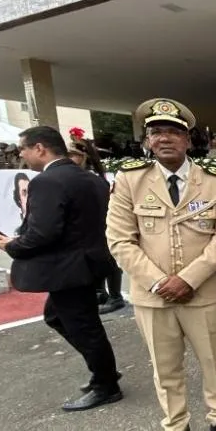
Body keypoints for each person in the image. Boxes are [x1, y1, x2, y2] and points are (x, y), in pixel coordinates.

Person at [106, 98, 216, 431]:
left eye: (173, 131)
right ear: (147, 140)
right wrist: (161, 281)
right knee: (164, 368)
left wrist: (189, 279)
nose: (165, 138)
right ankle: (175, 429)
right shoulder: (129, 180)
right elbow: (119, 240)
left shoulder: (215, 181)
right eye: (156, 132)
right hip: (153, 296)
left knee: (215, 362)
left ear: (187, 139)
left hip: (204, 293)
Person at [0, 126, 122, 412]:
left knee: (84, 327)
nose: (22, 156)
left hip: (69, 269)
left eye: (23, 150)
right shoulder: (91, 179)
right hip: (90, 264)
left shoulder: (47, 181)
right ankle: (104, 372)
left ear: (39, 148)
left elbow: (43, 233)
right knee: (58, 317)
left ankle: (106, 383)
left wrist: (12, 246)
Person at [67, 132, 128, 316]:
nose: (68, 158)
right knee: (95, 260)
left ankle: (115, 296)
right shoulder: (80, 175)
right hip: (88, 226)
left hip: (102, 224)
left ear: (81, 156)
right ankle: (100, 292)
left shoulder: (92, 176)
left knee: (109, 261)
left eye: (71, 155)